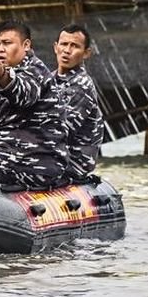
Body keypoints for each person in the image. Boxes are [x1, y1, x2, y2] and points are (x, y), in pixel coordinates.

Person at [0, 20, 67, 190]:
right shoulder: (9, 73)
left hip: (33, 165)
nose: (0, 49)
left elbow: (23, 94)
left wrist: (2, 76)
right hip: (5, 160)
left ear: (26, 45)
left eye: (7, 43)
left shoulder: (35, 70)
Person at [51, 24, 104, 183]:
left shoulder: (81, 85)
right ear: (56, 47)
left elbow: (60, 132)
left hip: (72, 163)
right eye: (64, 44)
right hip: (52, 156)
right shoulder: (49, 80)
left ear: (86, 53)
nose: (67, 51)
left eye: (74, 46)